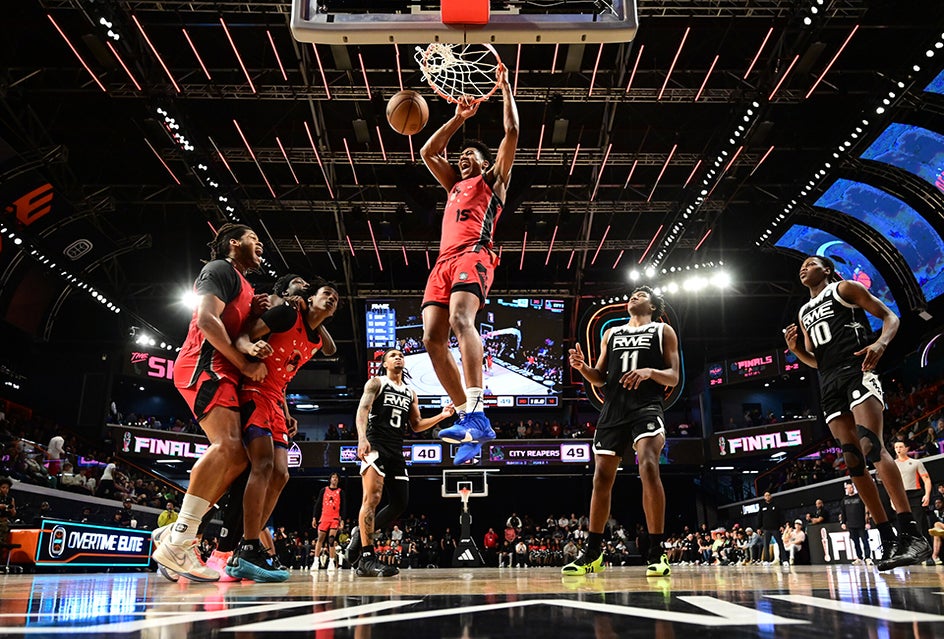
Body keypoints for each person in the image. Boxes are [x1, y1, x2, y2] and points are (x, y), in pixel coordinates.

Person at [784, 254, 930, 570]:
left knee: (871, 446)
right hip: (829, 382)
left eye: (812, 262)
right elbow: (816, 360)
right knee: (852, 461)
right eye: (802, 265)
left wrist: (880, 344)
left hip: (857, 370)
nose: (804, 267)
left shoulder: (844, 289)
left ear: (828, 270)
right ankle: (887, 537)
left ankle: (912, 533)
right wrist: (797, 351)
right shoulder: (804, 310)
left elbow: (891, 317)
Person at [151, 223, 271, 582]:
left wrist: (252, 315)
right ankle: (181, 539)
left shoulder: (244, 284)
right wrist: (246, 363)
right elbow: (206, 319)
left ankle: (177, 535)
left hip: (223, 369)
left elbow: (236, 329)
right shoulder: (219, 269)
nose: (260, 244)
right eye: (253, 239)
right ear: (233, 244)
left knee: (237, 456)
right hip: (205, 365)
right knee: (228, 446)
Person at [419, 63, 519, 464]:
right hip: (442, 262)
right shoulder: (454, 184)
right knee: (430, 339)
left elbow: (511, 133)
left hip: (474, 254)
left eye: (469, 155)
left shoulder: (493, 181)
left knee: (463, 321)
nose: (462, 159)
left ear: (484, 161)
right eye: (459, 156)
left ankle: (476, 408)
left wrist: (506, 88)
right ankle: (469, 420)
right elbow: (428, 151)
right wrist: (457, 118)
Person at [562, 286, 680, 577]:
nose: (634, 296)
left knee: (649, 466)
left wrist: (649, 372)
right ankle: (592, 553)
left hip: (646, 406)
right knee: (601, 478)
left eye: (641, 294)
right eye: (632, 294)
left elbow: (674, 377)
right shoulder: (611, 333)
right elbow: (600, 379)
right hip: (613, 410)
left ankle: (656, 551)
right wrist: (582, 368)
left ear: (653, 306)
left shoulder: (663, 331)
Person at [231, 276, 338, 581]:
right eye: (326, 293)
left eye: (335, 299)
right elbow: (242, 337)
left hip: (276, 399)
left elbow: (327, 349)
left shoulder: (315, 338)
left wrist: (287, 410)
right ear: (310, 296)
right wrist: (251, 348)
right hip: (253, 389)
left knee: (282, 474)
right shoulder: (285, 314)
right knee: (263, 465)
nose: (331, 299)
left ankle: (246, 545)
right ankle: (249, 544)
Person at [347, 348, 455, 577]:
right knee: (373, 498)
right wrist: (362, 438)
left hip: (396, 450)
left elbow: (416, 425)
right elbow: (362, 410)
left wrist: (442, 416)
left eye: (401, 355)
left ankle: (359, 535)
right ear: (385, 363)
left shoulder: (410, 392)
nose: (398, 358)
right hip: (375, 444)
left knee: (399, 503)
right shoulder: (376, 383)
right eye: (393, 355)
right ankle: (366, 558)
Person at [893, 440, 932, 538]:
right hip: (900, 496)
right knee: (903, 524)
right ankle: (908, 547)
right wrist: (892, 499)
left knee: (919, 523)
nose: (898, 449)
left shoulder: (916, 463)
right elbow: (891, 484)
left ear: (906, 448)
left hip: (915, 495)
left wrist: (927, 495)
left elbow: (926, 480)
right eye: (896, 447)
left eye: (901, 447)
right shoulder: (892, 464)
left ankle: (924, 547)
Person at [312, 473, 344, 572]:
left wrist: (342, 520)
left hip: (334, 518)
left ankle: (331, 562)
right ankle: (316, 561)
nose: (335, 479)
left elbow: (343, 507)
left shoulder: (340, 492)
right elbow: (317, 504)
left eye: (336, 478)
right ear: (330, 479)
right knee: (320, 539)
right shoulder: (324, 490)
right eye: (333, 478)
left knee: (331, 540)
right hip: (324, 517)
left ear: (338, 480)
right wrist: (314, 518)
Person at [839, 481, 870, 564]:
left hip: (861, 523)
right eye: (848, 488)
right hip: (851, 525)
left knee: (865, 541)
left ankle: (868, 557)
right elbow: (843, 512)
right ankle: (859, 557)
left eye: (851, 487)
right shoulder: (844, 500)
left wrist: (867, 522)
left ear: (853, 488)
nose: (850, 489)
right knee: (855, 542)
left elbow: (866, 510)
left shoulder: (860, 497)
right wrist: (843, 522)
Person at [758, 491, 786, 564]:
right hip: (766, 529)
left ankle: (785, 560)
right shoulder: (762, 506)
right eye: (766, 495)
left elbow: (781, 516)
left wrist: (782, 525)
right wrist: (758, 527)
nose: (767, 497)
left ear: (771, 496)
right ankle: (766, 560)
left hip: (775, 528)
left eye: (768, 495)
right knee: (766, 545)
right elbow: (759, 518)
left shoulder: (776, 505)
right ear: (764, 497)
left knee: (780, 543)